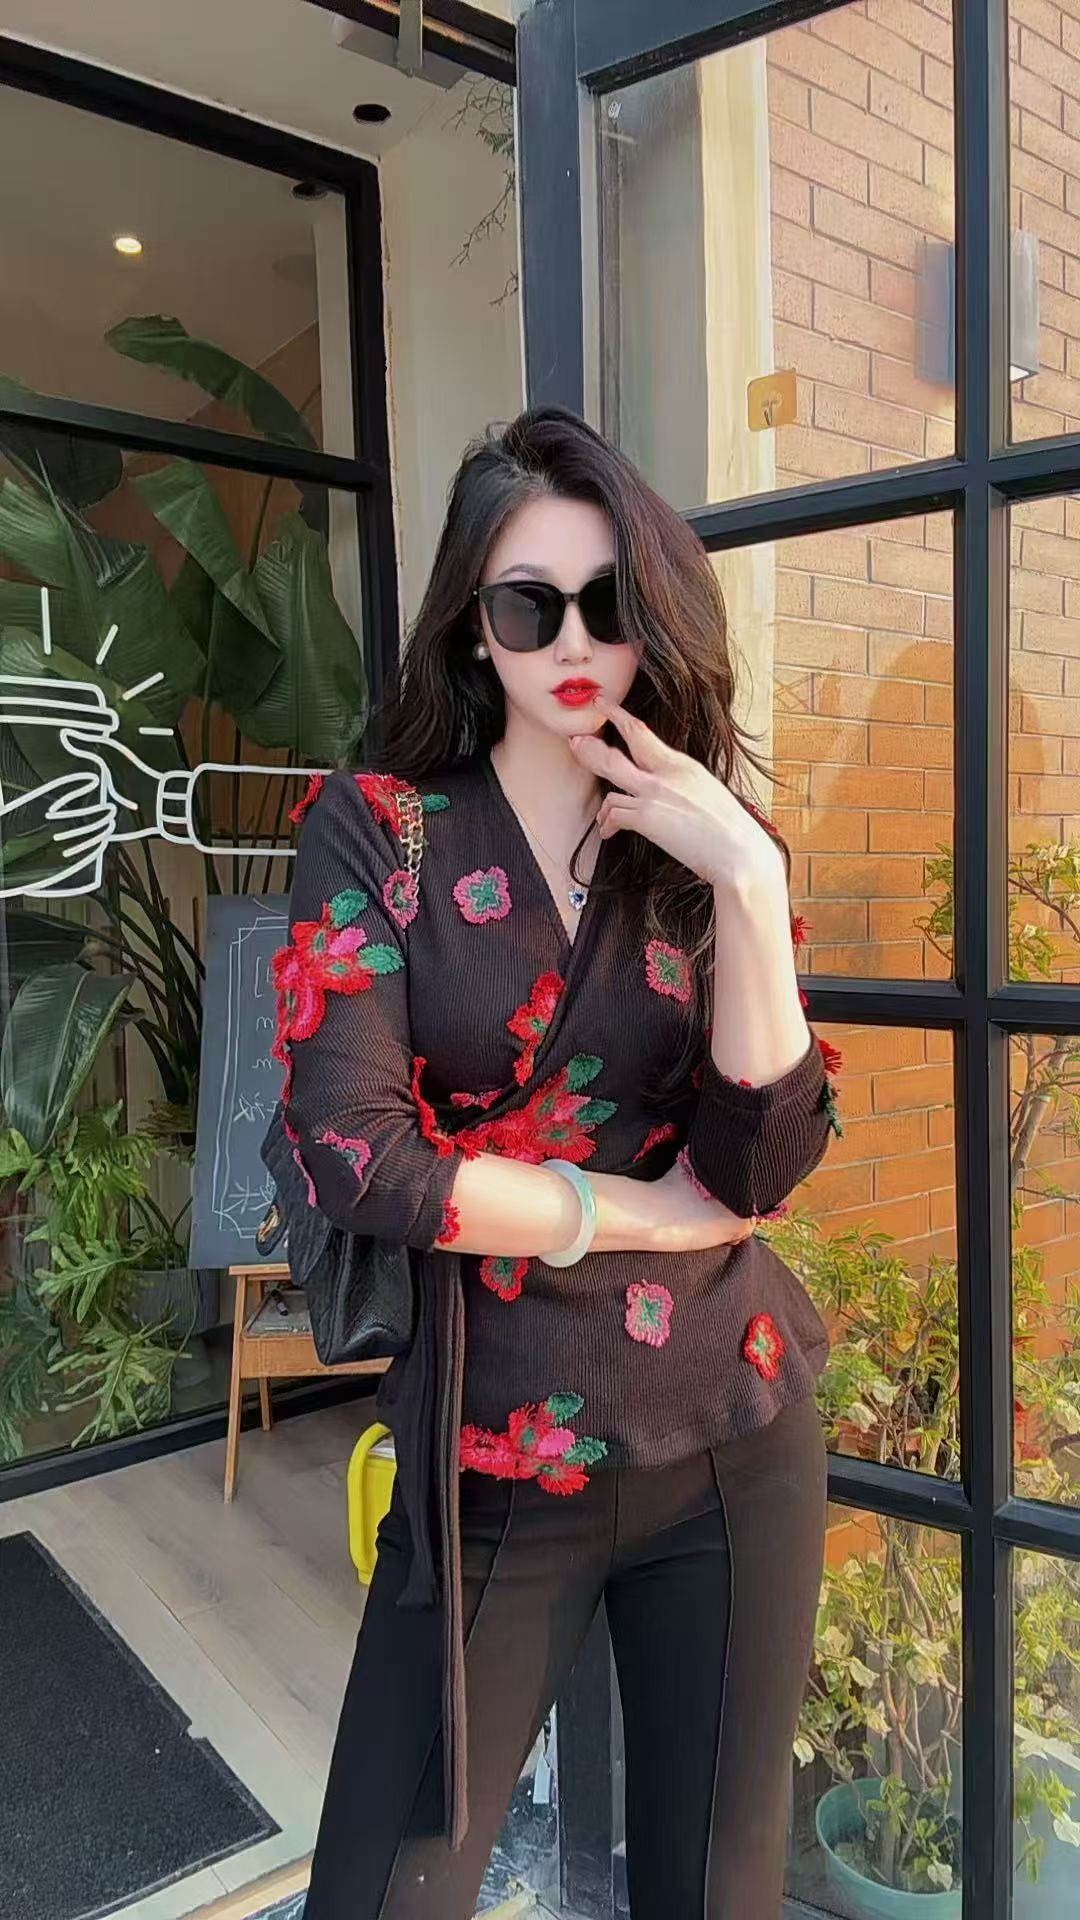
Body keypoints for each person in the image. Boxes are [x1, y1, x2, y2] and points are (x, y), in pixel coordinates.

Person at [276, 408, 837, 1920]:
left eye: (609, 600)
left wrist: (751, 878)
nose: (574, 639)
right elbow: (356, 1156)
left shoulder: (702, 844)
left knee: (717, 1889)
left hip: (734, 1432)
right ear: (477, 624)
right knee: (382, 1892)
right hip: (494, 1454)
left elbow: (760, 1163)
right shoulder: (378, 832)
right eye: (532, 604)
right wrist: (632, 1212)